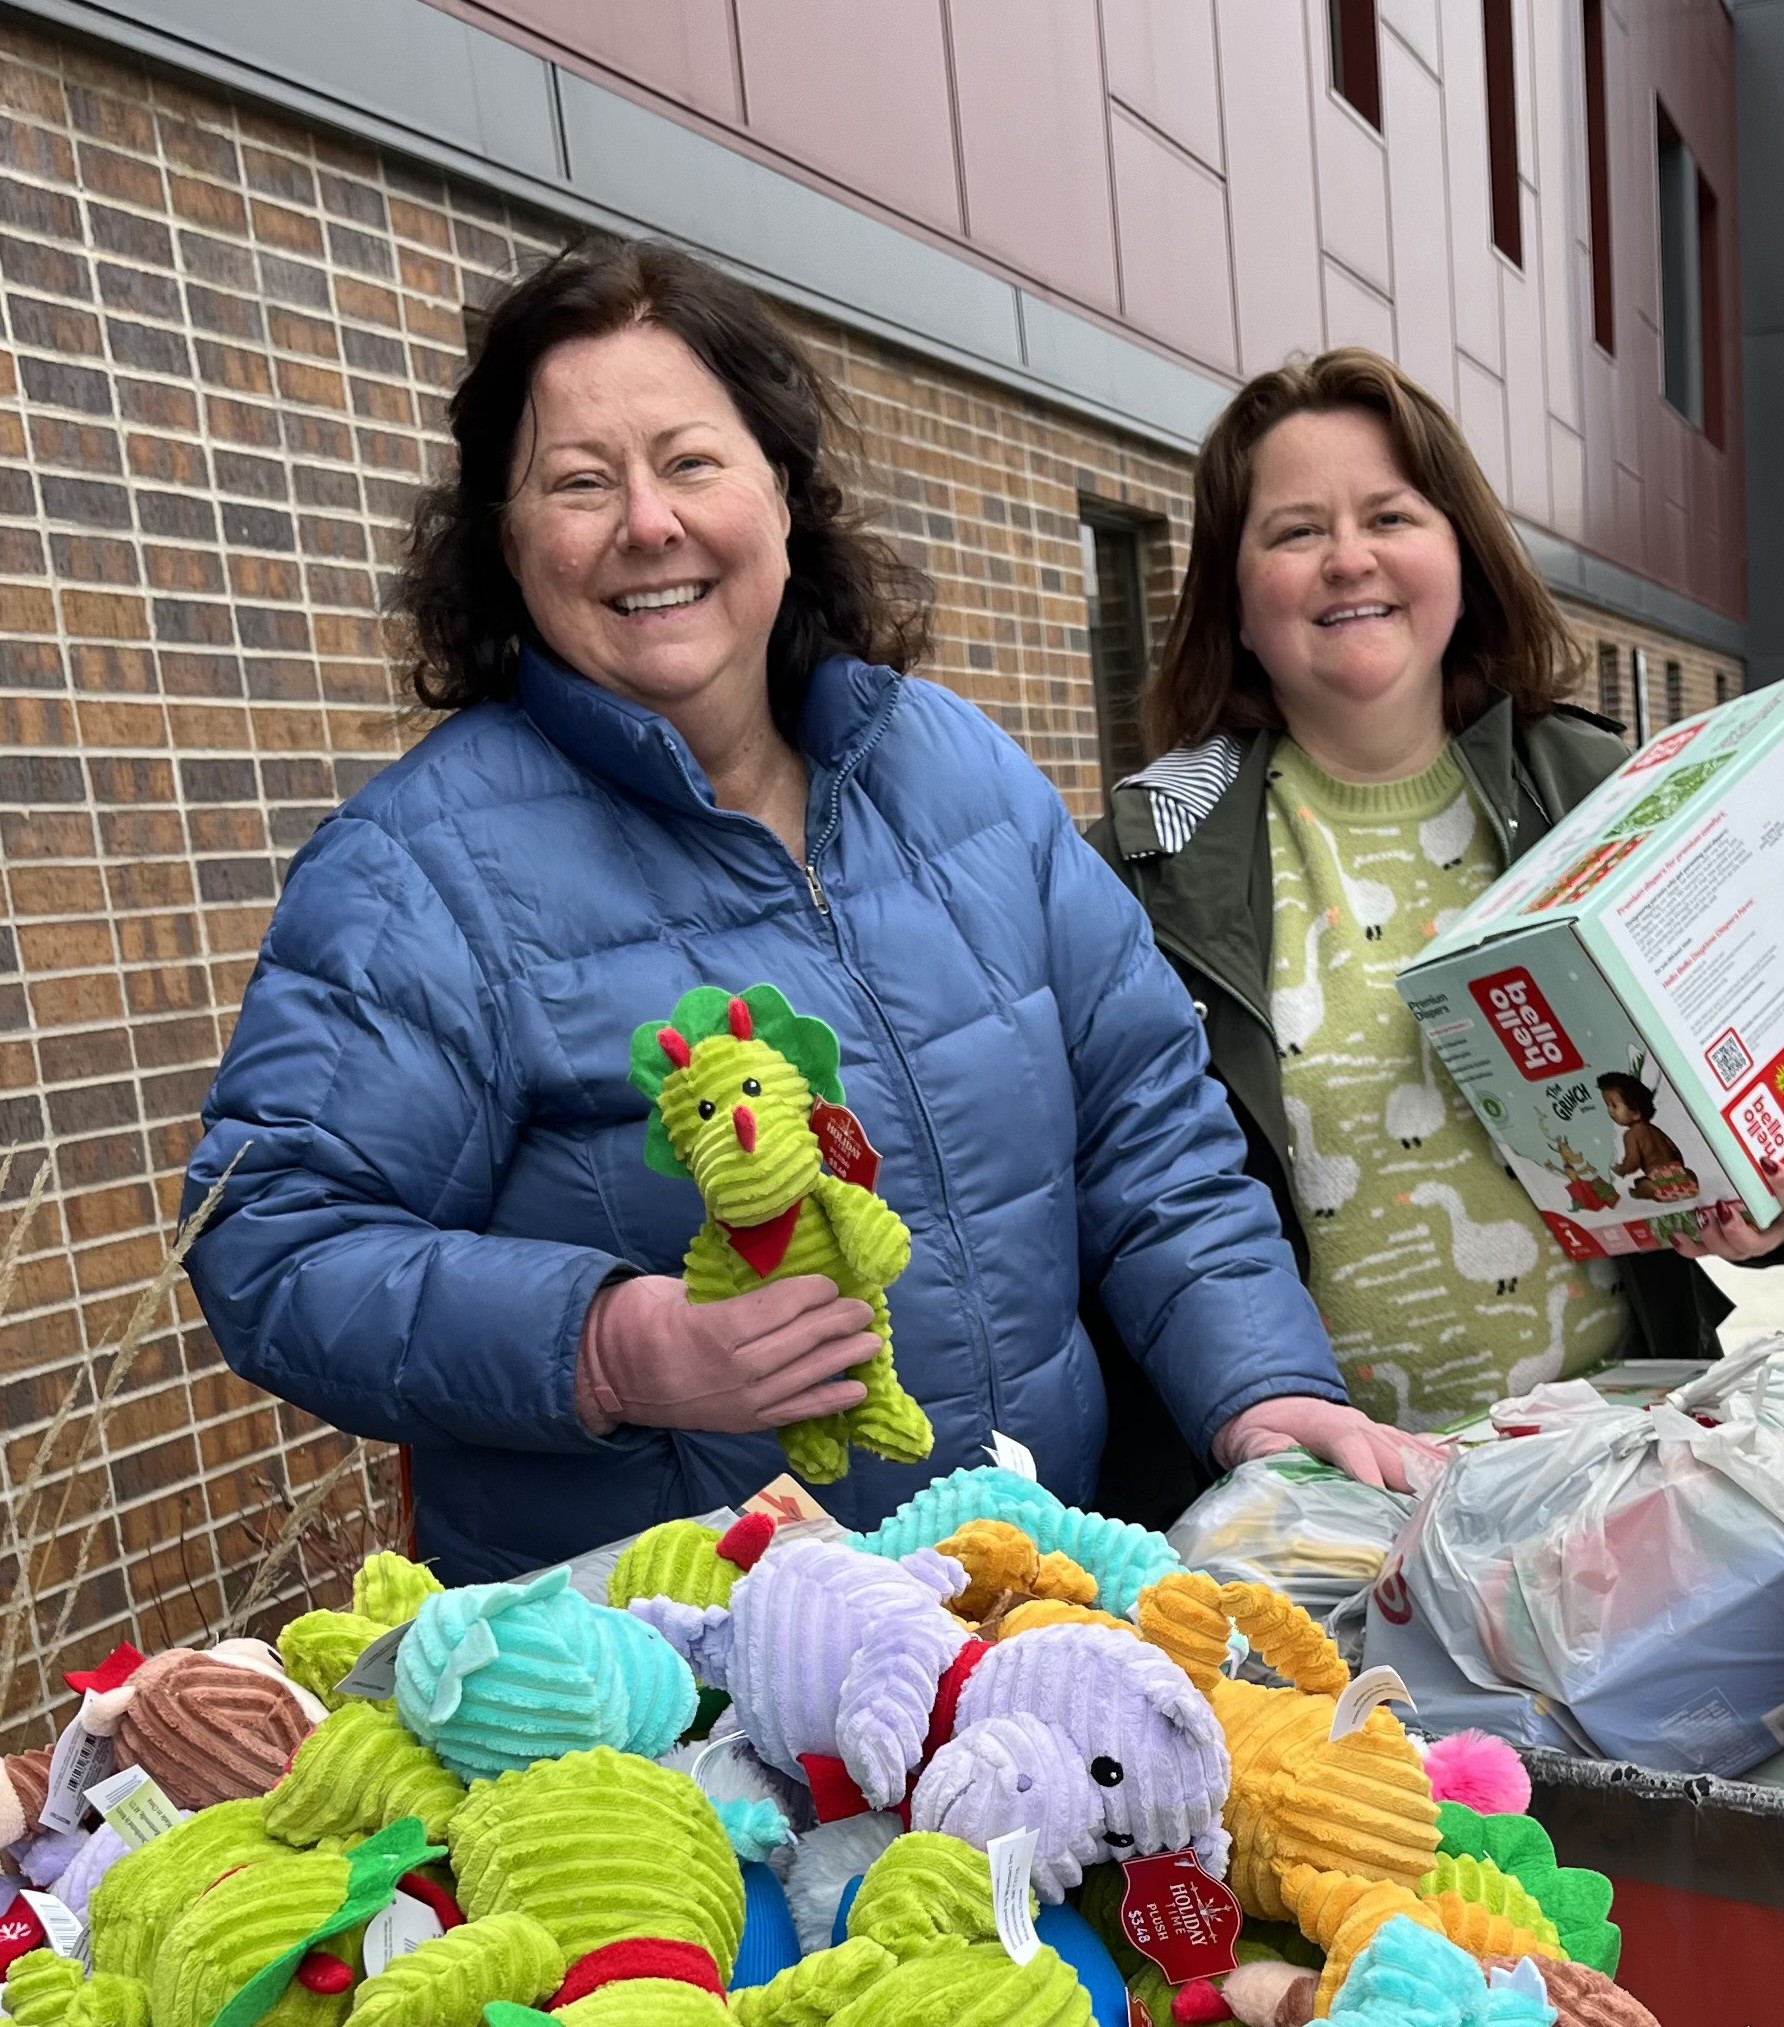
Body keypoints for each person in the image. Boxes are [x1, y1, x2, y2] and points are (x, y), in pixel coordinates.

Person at [181, 242, 1410, 1584]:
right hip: (681, 1672)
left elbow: (1149, 1132)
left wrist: (1260, 1385)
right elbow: (275, 1239)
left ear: (780, 488)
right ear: (508, 539)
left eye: (692, 461)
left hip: (1034, 1608)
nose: (648, 522)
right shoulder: (417, 871)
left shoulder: (958, 771)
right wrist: (605, 1344)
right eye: (579, 482)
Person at [1088, 349, 1784, 1511]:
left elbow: (1769, 1088)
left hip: (1619, 1476)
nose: (1349, 557)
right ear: (1234, 601)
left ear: (1461, 554)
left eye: (1390, 515)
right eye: (1295, 532)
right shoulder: (1151, 865)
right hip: (1326, 1514)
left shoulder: (1606, 793)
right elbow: (1132, 1198)